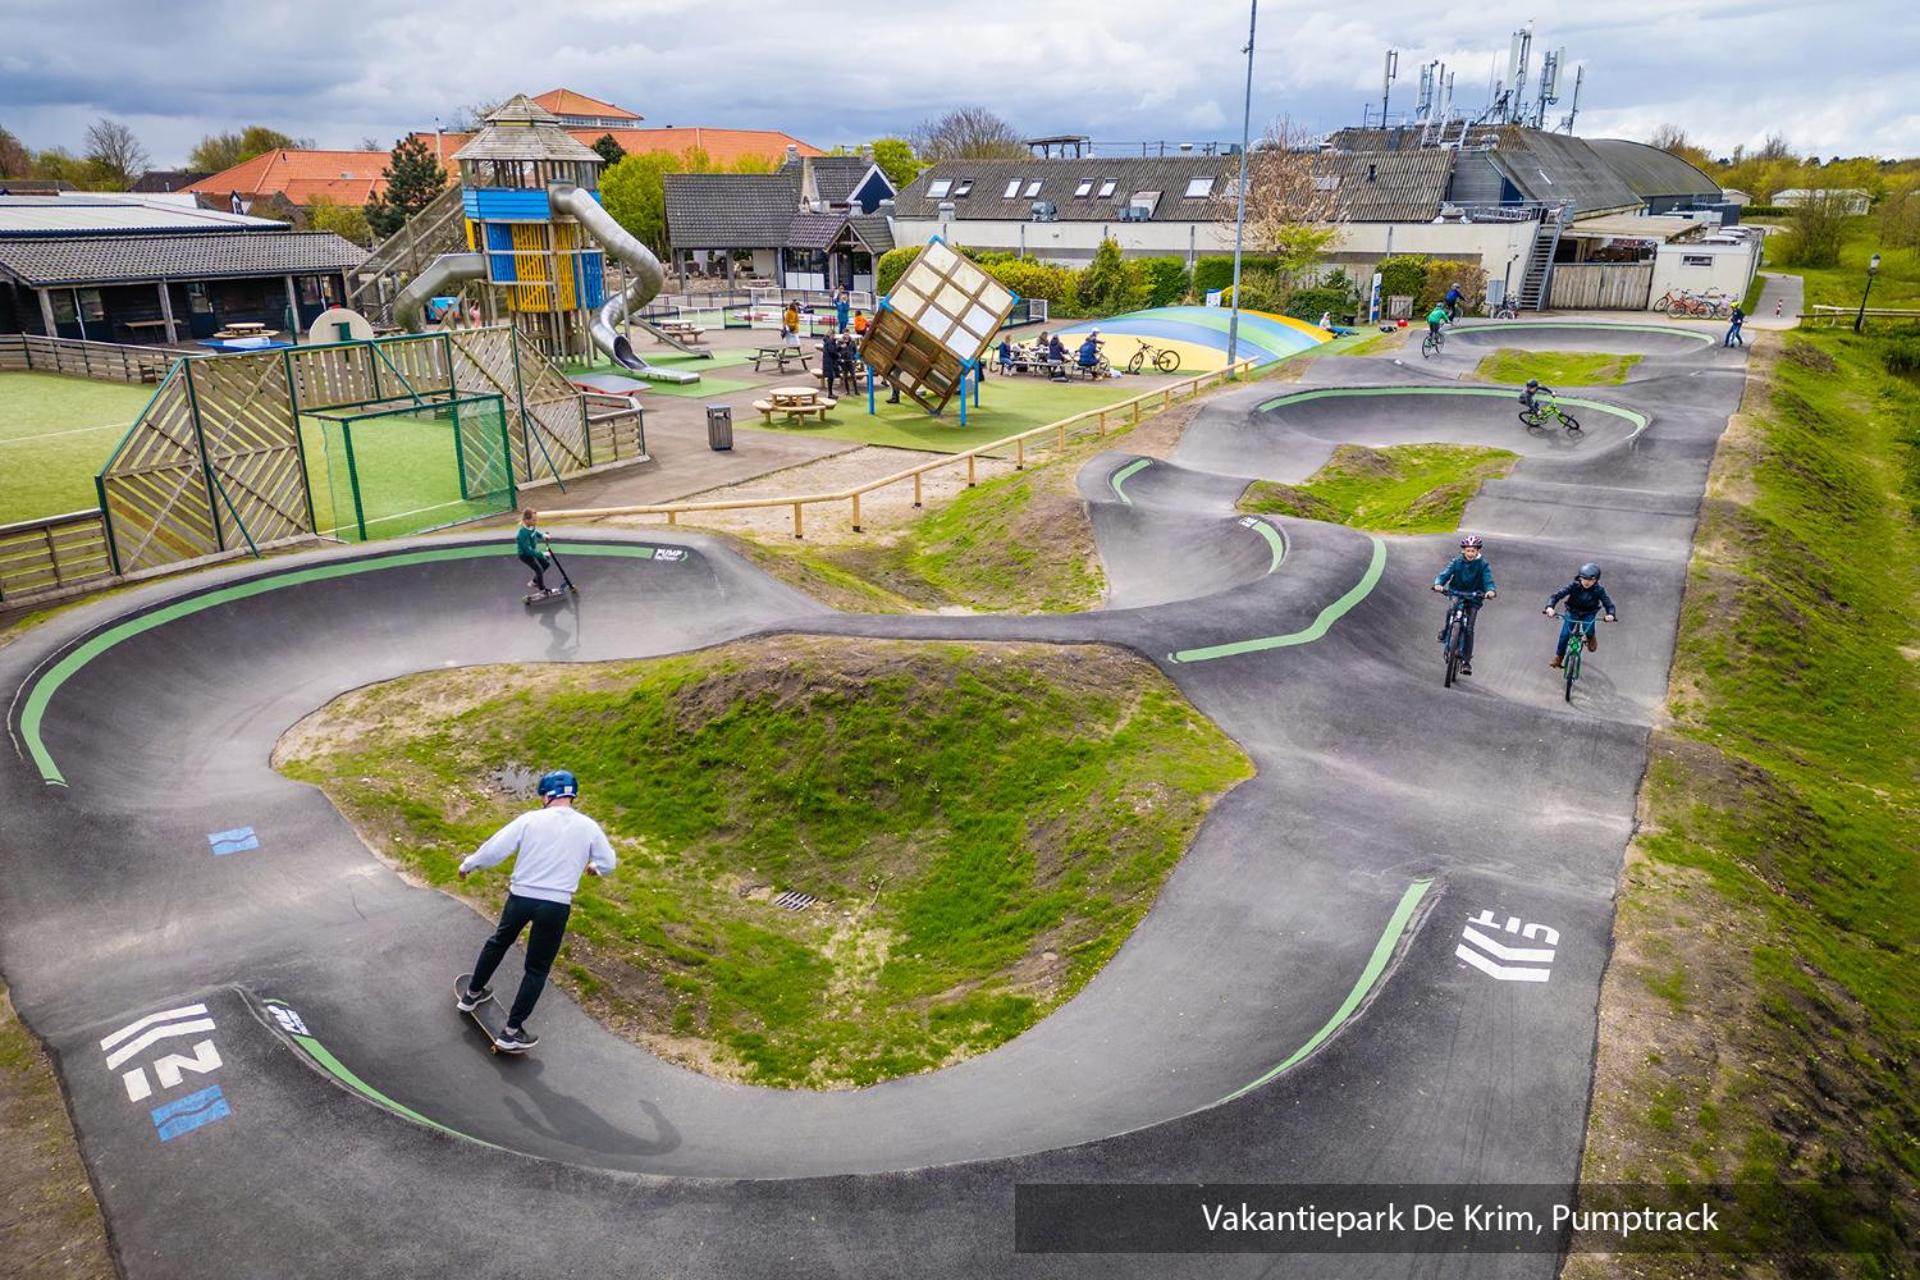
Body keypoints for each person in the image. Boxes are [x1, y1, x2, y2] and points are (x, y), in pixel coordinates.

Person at [456, 770, 616, 1051]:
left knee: (499, 942)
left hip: (521, 898)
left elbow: (496, 849)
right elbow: (609, 861)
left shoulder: (529, 820)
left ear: (547, 795)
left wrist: (468, 864)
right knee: (537, 968)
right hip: (556, 906)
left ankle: (471, 995)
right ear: (571, 795)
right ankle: (511, 1032)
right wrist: (596, 867)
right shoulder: (589, 826)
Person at [1432, 533, 1497, 675]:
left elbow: (1488, 580)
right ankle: (1445, 632)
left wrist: (1490, 591)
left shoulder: (1483, 565)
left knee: (1469, 629)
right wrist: (1438, 584)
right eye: (1468, 550)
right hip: (1456, 592)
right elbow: (1445, 574)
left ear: (1478, 551)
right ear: (1463, 550)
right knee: (1451, 609)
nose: (1470, 553)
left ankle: (1466, 661)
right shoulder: (1456, 562)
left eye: (1473, 550)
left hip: (1474, 597)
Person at [1543, 562, 1617, 669]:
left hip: (1589, 612)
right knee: (1564, 635)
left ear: (1596, 580)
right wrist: (1550, 607)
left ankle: (1591, 637)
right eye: (1584, 579)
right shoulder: (1573, 586)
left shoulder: (1599, 590)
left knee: (1589, 628)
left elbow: (1609, 604)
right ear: (1579, 578)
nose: (1586, 582)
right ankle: (1559, 657)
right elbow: (1556, 596)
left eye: (1590, 580)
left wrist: (1610, 614)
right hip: (1572, 611)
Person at [515, 508, 551, 593]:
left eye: (536, 519)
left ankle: (534, 581)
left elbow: (535, 532)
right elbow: (528, 551)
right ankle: (542, 589)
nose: (536, 521)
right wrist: (542, 553)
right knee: (539, 569)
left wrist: (542, 535)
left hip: (532, 552)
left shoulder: (531, 526)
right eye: (534, 520)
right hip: (525, 555)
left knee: (546, 564)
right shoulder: (522, 534)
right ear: (526, 520)